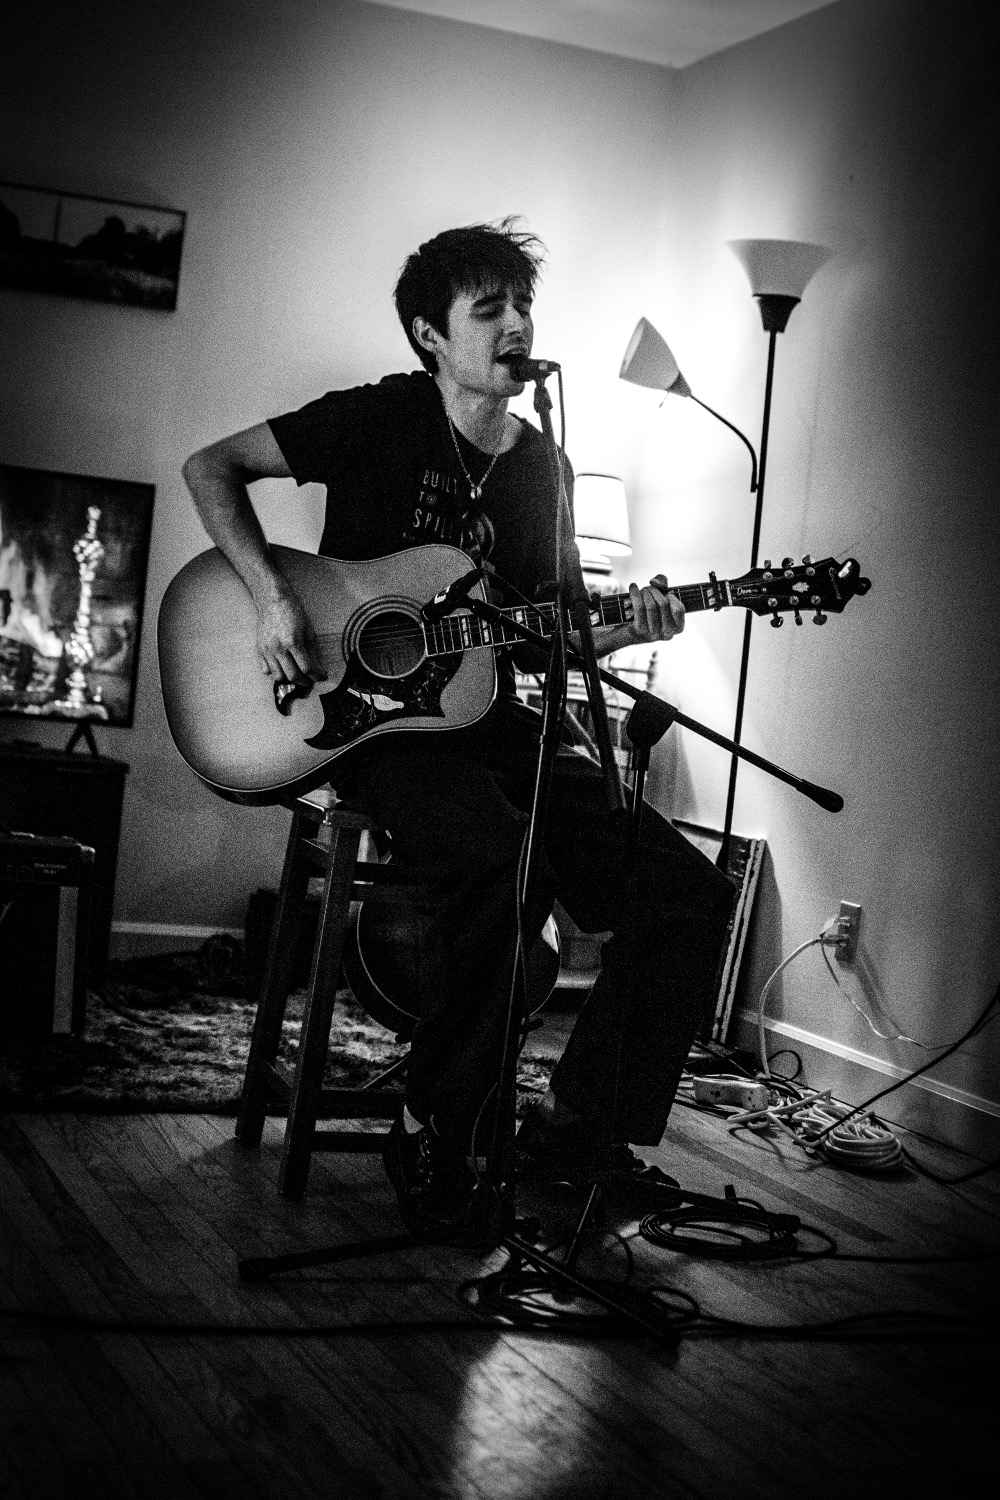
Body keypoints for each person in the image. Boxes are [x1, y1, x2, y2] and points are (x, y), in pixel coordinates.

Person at [182, 219, 735, 1235]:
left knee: (686, 894)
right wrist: (270, 597)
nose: (517, 325)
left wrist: (624, 627)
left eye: (523, 306)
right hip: (370, 732)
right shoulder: (376, 418)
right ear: (429, 335)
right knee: (497, 854)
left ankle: (576, 1134)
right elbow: (209, 467)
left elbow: (548, 632)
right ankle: (435, 1122)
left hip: (487, 719)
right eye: (490, 309)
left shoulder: (542, 467)